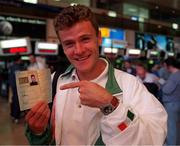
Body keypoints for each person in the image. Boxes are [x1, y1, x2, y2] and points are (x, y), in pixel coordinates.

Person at [25, 5, 167, 145]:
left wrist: (111, 105)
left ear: (99, 38)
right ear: (63, 47)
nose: (79, 50)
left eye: (85, 39)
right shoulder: (53, 82)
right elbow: (43, 140)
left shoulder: (130, 84)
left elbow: (153, 138)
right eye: (69, 44)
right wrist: (38, 131)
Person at [161, 57, 180, 145]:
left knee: (171, 126)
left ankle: (171, 144)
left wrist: (161, 84)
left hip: (171, 104)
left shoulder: (174, 76)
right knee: (176, 125)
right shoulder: (178, 74)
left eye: (165, 65)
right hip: (177, 102)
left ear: (169, 66)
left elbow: (166, 90)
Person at [8, 55, 25, 123]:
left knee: (13, 100)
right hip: (17, 87)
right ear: (18, 59)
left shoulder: (12, 66)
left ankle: (13, 114)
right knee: (17, 102)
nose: (21, 60)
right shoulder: (18, 67)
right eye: (20, 59)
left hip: (12, 86)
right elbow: (20, 78)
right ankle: (16, 117)